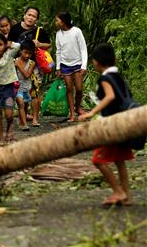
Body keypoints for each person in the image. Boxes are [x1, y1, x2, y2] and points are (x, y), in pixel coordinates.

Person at [79, 43, 134, 206]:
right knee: (119, 161)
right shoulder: (118, 76)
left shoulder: (105, 78)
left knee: (98, 160)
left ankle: (117, 191)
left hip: (112, 126)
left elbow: (109, 97)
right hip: (124, 124)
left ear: (96, 62)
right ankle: (126, 195)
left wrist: (91, 112)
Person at [8, 6, 51, 126]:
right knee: (20, 90)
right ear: (24, 15)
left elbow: (48, 45)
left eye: (34, 16)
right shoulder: (14, 29)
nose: (31, 18)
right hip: (17, 64)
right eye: (29, 15)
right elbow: (8, 44)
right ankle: (24, 115)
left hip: (35, 65)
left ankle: (35, 118)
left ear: (36, 19)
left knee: (35, 91)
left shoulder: (39, 31)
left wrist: (39, 44)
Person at [55, 11, 88, 122]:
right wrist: (58, 68)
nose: (56, 22)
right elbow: (58, 51)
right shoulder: (58, 34)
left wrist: (84, 65)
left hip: (77, 64)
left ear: (63, 21)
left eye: (57, 20)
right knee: (69, 89)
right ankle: (72, 114)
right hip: (65, 65)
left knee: (79, 89)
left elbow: (83, 48)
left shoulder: (76, 31)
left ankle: (77, 107)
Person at [15, 40, 38, 130]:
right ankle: (24, 125)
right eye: (25, 53)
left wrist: (19, 65)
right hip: (17, 88)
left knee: (25, 106)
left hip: (27, 88)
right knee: (20, 104)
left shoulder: (32, 63)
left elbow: (27, 75)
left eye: (29, 53)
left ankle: (21, 121)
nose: (27, 55)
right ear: (21, 51)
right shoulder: (15, 61)